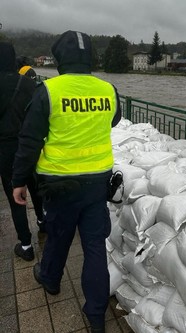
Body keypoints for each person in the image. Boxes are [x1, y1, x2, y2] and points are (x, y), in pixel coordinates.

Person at [12, 30, 122, 333]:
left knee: (59, 235)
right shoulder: (108, 90)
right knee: (94, 245)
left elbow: (30, 139)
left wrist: (19, 180)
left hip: (60, 183)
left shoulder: (48, 90)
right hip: (98, 182)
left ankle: (50, 279)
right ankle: (97, 315)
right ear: (91, 58)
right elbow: (113, 120)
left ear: (59, 58)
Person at [0, 41, 44, 262]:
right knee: (35, 184)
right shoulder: (27, 84)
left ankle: (26, 244)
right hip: (29, 144)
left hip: (5, 149)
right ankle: (43, 220)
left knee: (14, 193)